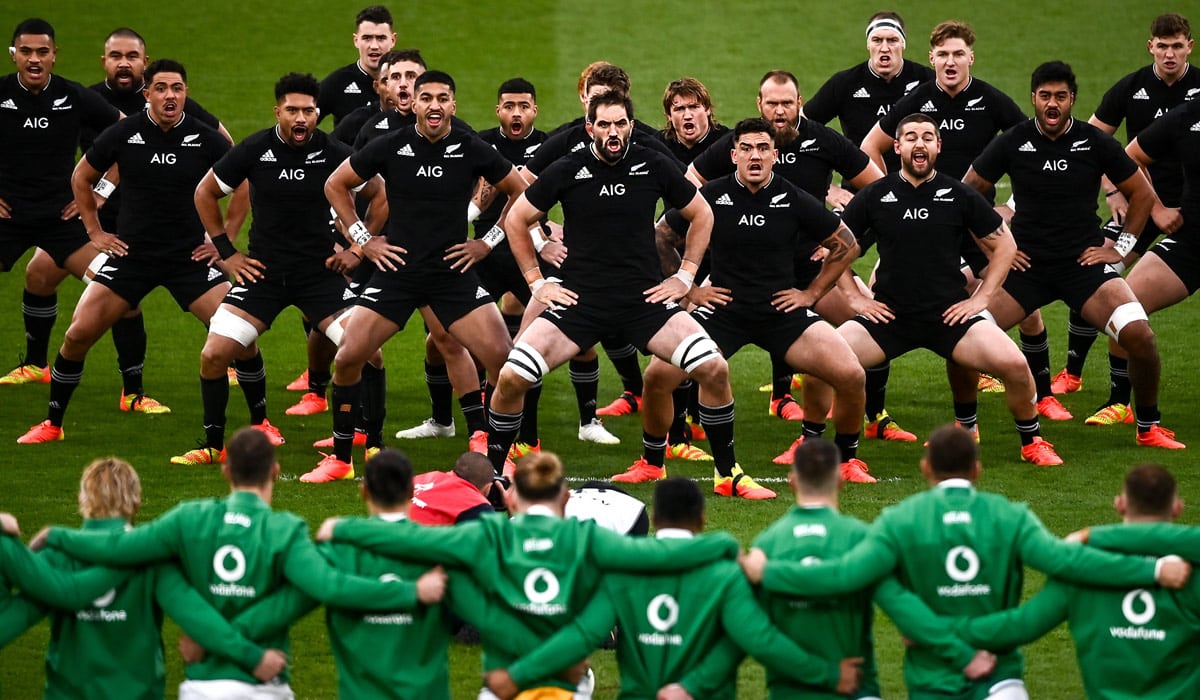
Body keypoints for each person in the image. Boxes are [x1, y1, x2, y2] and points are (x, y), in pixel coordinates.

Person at [740, 424, 1192, 700]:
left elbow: (844, 577)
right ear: (977, 469)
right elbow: (1066, 562)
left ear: (924, 469)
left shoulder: (899, 522)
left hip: (932, 680)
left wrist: (769, 572)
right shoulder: (1011, 518)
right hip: (1001, 679)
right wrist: (1151, 569)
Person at [490, 90, 770, 495]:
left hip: (644, 301)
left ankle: (728, 475)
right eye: (604, 124)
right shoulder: (569, 167)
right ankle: (494, 476)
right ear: (590, 128)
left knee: (714, 368)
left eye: (620, 123)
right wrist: (538, 282)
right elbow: (518, 219)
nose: (613, 131)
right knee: (512, 376)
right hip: (580, 300)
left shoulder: (652, 162)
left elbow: (702, 213)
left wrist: (685, 277)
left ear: (631, 126)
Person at [34, 427, 445, 699]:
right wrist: (411, 590)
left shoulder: (187, 519)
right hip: (263, 683)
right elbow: (330, 587)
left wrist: (58, 535)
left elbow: (119, 548)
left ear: (226, 469)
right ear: (276, 470)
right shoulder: (287, 531)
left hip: (202, 685)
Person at [318, 451, 741, 698]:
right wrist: (724, 549)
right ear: (565, 496)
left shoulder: (487, 534)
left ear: (513, 496)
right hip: (567, 683)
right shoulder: (587, 539)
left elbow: (412, 541)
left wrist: (344, 527)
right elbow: (657, 555)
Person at [612, 117, 871, 490]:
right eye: (746, 148)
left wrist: (811, 294)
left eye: (763, 148)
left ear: (774, 156)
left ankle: (847, 459)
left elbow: (845, 243)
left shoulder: (793, 197)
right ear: (733, 154)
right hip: (723, 310)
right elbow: (661, 237)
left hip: (780, 311)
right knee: (657, 377)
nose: (755, 156)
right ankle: (653, 462)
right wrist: (689, 291)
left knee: (851, 375)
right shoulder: (710, 197)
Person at [315, 70, 527, 483]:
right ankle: (341, 460)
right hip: (397, 273)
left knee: (503, 360)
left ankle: (499, 461)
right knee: (348, 358)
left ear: (453, 105)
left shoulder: (471, 147)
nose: (434, 106)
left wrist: (487, 242)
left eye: (442, 98)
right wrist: (364, 240)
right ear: (412, 103)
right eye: (425, 98)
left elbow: (521, 191)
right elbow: (336, 185)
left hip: (451, 273)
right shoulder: (391, 145)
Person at [962, 61, 1184, 450]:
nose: (1052, 104)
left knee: (1141, 336)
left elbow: (1142, 195)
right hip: (1026, 267)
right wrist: (995, 251)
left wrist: (1118, 249)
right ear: (1033, 98)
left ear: (1072, 100)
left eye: (1060, 97)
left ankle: (1148, 426)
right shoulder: (1013, 140)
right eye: (1045, 96)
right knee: (963, 336)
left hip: (1083, 267)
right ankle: (964, 430)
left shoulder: (1094, 142)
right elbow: (969, 193)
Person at [482, 478, 864, 700]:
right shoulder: (725, 575)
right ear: (702, 518)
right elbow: (759, 640)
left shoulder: (622, 573)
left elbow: (580, 636)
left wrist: (516, 675)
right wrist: (829, 675)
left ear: (655, 518)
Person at [17, 59, 234, 445]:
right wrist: (94, 232)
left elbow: (241, 179)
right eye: (162, 88)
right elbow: (81, 177)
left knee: (240, 336)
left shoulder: (205, 138)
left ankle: (262, 423)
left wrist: (223, 243)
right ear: (147, 93)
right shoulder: (123, 133)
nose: (170, 95)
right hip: (133, 256)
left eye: (178, 88)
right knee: (78, 334)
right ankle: (52, 424)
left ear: (186, 92)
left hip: (188, 258)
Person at [687, 70, 909, 443]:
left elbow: (881, 191)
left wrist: (844, 223)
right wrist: (700, 262)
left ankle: (874, 414)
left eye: (786, 103)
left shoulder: (824, 141)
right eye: (771, 104)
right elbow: (690, 186)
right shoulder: (740, 145)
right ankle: (690, 421)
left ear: (800, 104)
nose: (779, 111)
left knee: (873, 322)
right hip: (743, 271)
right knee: (683, 331)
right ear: (759, 105)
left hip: (809, 267)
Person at [175, 72, 377, 465]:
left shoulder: (334, 151)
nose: (301, 119)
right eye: (292, 111)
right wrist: (226, 252)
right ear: (277, 111)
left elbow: (378, 193)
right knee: (214, 355)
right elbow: (205, 192)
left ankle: (367, 442)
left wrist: (357, 248)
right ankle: (214, 446)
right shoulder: (254, 150)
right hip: (263, 275)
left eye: (308, 111)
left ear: (318, 113)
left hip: (319, 275)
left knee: (368, 351)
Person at [835, 112, 1060, 465]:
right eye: (910, 137)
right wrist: (854, 298)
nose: (919, 143)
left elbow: (1006, 248)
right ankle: (842, 458)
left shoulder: (959, 195)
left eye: (927, 137)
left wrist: (982, 299)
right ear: (897, 147)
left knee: (1016, 365)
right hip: (891, 316)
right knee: (825, 362)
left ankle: (1032, 442)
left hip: (949, 315)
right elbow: (834, 250)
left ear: (938, 147)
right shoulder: (875, 195)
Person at [4, 457, 287, 698]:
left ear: (82, 500)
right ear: (136, 502)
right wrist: (252, 656)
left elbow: (15, 619)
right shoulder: (153, 562)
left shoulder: (57, 557)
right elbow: (198, 617)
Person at [0, 19, 168, 416]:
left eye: (43, 51)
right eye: (27, 51)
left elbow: (132, 134)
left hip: (61, 219)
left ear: (55, 54)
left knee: (120, 292)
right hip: (8, 217)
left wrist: (97, 192)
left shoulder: (73, 97)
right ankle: (36, 365)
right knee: (39, 277)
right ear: (15, 55)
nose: (35, 59)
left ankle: (133, 392)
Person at [745, 438, 996, 699]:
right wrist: (963, 655)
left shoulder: (765, 547)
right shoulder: (862, 539)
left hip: (789, 692)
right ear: (840, 481)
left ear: (793, 481)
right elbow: (900, 604)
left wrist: (823, 673)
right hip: (857, 690)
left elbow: (757, 637)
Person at [955, 464, 1200, 700]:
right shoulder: (1192, 574)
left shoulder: (1080, 571)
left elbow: (1020, 626)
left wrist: (944, 629)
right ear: (1177, 507)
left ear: (1120, 505)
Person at [1070, 14, 1200, 422]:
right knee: (1115, 290)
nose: (1170, 53)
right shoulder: (1179, 109)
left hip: (1177, 216)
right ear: (1151, 47)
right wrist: (1123, 194)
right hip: (1167, 219)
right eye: (1163, 45)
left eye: (1177, 45)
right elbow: (1112, 148)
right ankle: (1111, 397)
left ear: (1189, 48)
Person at [1088, 93, 1200, 438]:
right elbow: (1130, 156)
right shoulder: (1188, 115)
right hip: (1192, 240)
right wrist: (1157, 208)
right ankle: (1120, 403)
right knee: (1127, 304)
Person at [803, 11, 935, 191]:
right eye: (877, 40)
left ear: (903, 44)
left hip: (920, 190)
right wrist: (830, 190)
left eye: (892, 40)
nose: (884, 48)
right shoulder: (845, 84)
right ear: (868, 44)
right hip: (859, 193)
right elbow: (799, 129)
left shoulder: (926, 81)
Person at [316, 5, 396, 126]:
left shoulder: (405, 84)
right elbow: (302, 125)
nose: (374, 46)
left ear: (393, 40)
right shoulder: (338, 82)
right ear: (356, 41)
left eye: (381, 38)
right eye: (367, 38)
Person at [409, 451, 495, 525]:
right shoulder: (475, 505)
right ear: (488, 488)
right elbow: (501, 539)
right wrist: (509, 506)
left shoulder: (424, 477)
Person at [657, 77, 730, 163]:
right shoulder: (658, 147)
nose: (687, 116)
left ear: (707, 109)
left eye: (693, 107)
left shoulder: (727, 144)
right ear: (669, 115)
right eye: (680, 109)